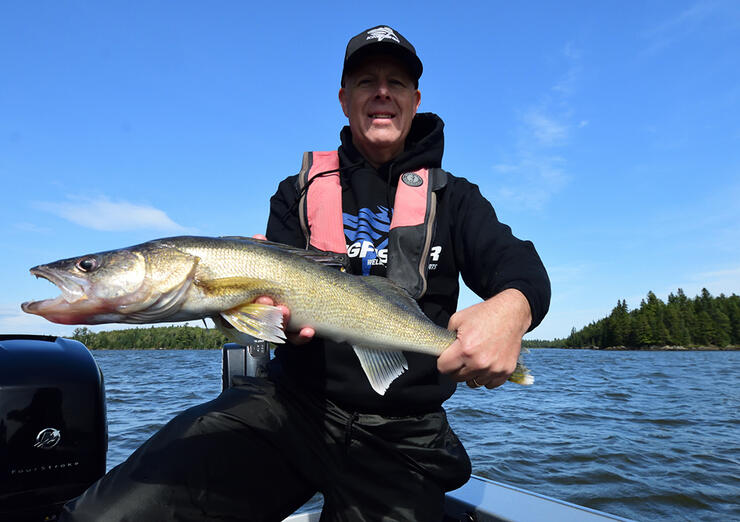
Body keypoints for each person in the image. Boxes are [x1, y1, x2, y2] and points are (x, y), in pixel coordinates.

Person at [60, 25, 550, 521]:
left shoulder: (457, 198)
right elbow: (266, 319)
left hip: (405, 434)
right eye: (365, 82)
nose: (382, 92)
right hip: (292, 406)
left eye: (396, 82)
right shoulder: (296, 191)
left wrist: (512, 308)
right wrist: (251, 318)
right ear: (343, 99)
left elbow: (520, 266)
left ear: (415, 98)